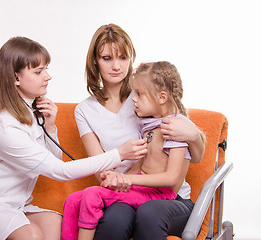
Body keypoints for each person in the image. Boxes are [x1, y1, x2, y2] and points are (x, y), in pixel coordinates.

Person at [0, 36, 147, 240]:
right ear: (15, 77)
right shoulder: (4, 126)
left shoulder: (31, 113)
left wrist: (50, 127)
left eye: (46, 69)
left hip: (11, 205)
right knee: (32, 235)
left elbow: (54, 159)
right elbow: (60, 171)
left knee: (55, 222)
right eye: (38, 71)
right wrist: (119, 154)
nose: (48, 77)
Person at [73, 24, 205, 240]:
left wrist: (193, 135)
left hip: (164, 196)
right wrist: (121, 155)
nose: (116, 66)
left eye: (123, 57)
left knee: (148, 214)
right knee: (115, 221)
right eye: (107, 58)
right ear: (95, 61)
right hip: (123, 191)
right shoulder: (85, 111)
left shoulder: (146, 95)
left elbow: (193, 153)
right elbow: (99, 170)